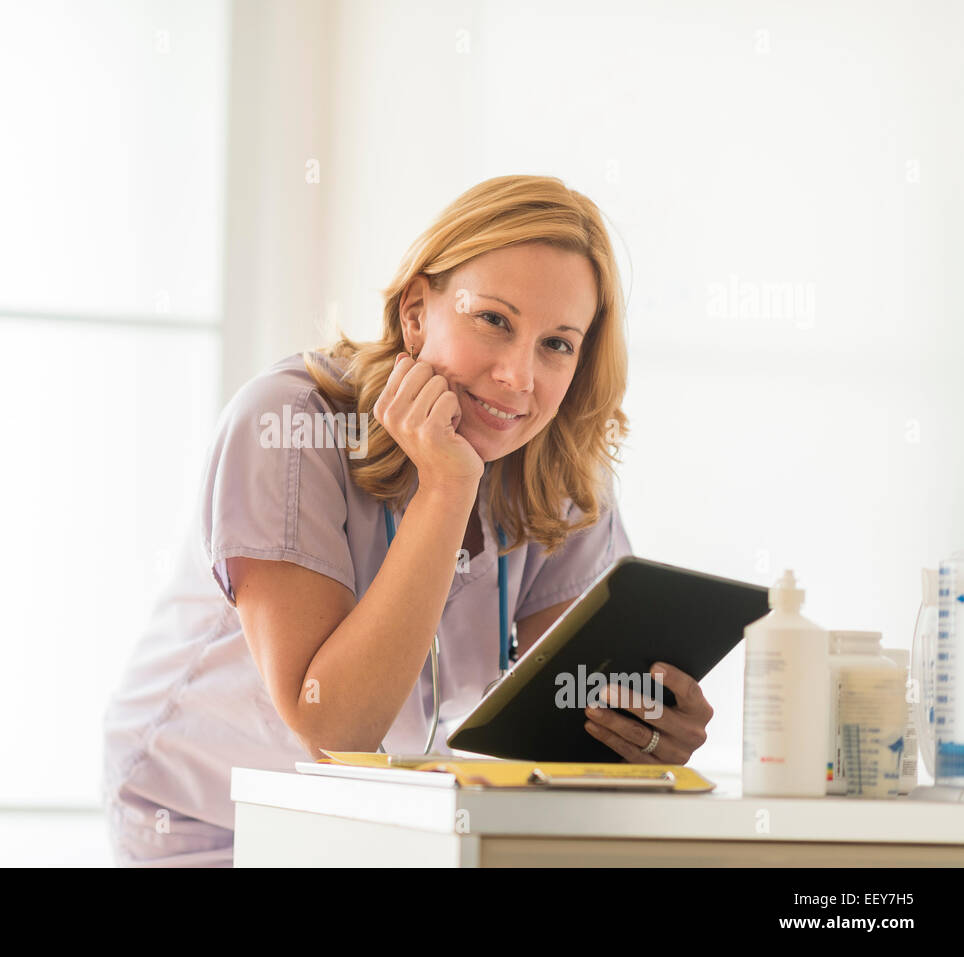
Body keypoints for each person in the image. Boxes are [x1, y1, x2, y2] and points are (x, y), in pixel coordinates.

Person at [102, 174, 715, 867]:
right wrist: (447, 489)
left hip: (383, 821)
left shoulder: (559, 468)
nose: (518, 376)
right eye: (494, 320)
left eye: (557, 344)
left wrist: (638, 731)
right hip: (207, 809)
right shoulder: (290, 425)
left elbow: (559, 717)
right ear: (419, 312)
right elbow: (336, 725)